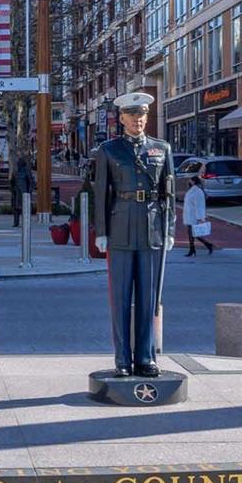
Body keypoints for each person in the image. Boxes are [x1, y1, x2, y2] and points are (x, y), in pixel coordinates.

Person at [85, 91, 175, 375]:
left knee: (149, 299)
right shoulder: (110, 150)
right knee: (120, 298)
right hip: (121, 225)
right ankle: (123, 359)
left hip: (151, 227)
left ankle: (146, 358)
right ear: (121, 117)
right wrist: (101, 231)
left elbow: (168, 195)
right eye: (133, 115)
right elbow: (102, 193)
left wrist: (169, 228)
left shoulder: (162, 149)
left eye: (143, 115)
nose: (138, 120)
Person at [183, 170, 215, 257]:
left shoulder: (198, 192)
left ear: (193, 182)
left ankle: (200, 247)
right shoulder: (192, 191)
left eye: (190, 180)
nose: (189, 182)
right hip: (189, 215)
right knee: (192, 233)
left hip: (194, 216)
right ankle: (194, 248)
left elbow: (199, 206)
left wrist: (200, 217)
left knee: (194, 233)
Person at [10, 151, 35, 227]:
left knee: (24, 209)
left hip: (24, 193)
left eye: (19, 163)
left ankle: (25, 222)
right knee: (16, 208)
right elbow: (12, 182)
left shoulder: (27, 172)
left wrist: (29, 191)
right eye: (18, 163)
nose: (18, 164)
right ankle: (16, 222)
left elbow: (31, 182)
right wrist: (12, 190)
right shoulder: (15, 172)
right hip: (16, 192)